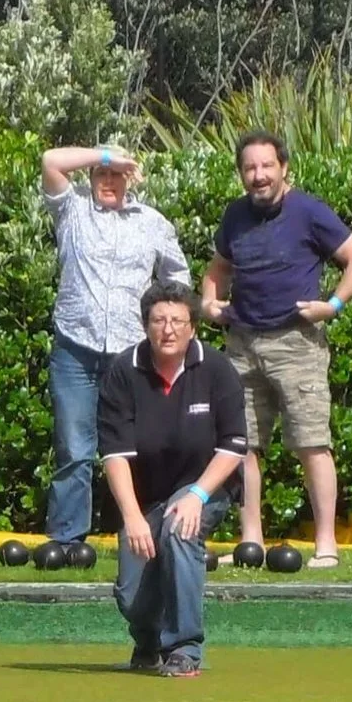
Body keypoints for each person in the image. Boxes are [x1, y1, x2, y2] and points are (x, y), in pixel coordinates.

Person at [200, 129, 352, 568]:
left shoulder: (309, 211)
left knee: (311, 443)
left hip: (296, 343)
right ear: (242, 173)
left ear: (284, 168)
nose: (258, 175)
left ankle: (326, 547)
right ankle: (251, 544)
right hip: (241, 344)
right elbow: (218, 268)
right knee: (241, 446)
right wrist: (209, 304)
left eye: (266, 166)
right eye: (250, 168)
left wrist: (332, 305)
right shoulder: (235, 215)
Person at [40, 143, 191, 547]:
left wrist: (165, 321)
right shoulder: (72, 211)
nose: (108, 181)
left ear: (130, 180)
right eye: (102, 174)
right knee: (74, 447)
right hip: (75, 347)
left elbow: (178, 279)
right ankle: (67, 539)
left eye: (117, 175)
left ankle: (143, 533)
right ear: (91, 176)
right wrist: (105, 156)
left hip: (132, 352)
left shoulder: (152, 222)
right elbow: (51, 162)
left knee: (139, 447)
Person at [98, 282, 248, 678]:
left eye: (178, 321)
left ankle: (185, 649)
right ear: (146, 325)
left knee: (179, 530)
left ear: (193, 326)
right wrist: (131, 517)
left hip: (204, 487)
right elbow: (114, 454)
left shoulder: (217, 369)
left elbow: (234, 446)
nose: (168, 329)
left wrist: (198, 494)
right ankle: (148, 643)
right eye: (159, 320)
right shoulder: (122, 370)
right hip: (144, 497)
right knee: (132, 596)